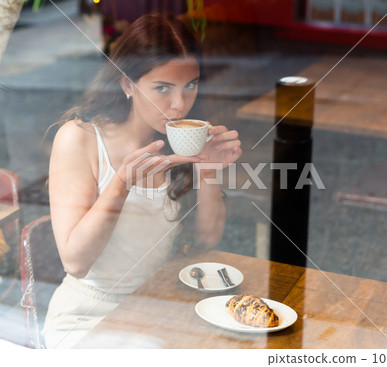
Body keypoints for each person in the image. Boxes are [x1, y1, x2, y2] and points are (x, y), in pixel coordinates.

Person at [42, 12, 241, 348]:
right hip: (87, 316)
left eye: (189, 86)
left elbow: (207, 238)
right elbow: (75, 262)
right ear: (126, 84)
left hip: (157, 307)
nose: (179, 105)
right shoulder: (80, 139)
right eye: (162, 88)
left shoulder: (176, 144)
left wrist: (208, 169)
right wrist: (120, 185)